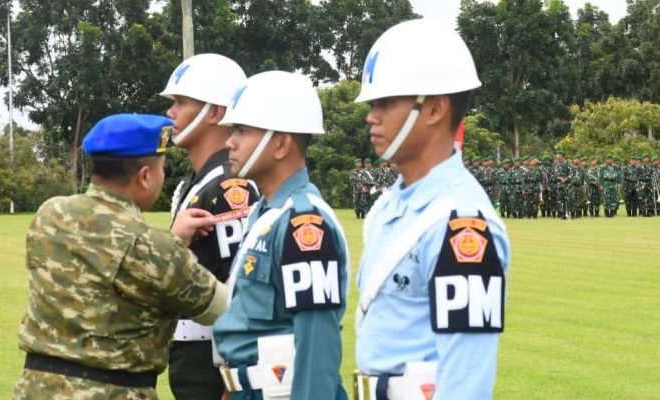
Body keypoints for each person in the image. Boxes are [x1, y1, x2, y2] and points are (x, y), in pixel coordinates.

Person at [12, 114, 229, 399]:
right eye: (162, 169)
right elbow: (224, 308)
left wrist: (171, 241)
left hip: (35, 389)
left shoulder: (51, 213)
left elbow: (107, 264)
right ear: (145, 176)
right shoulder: (152, 247)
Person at [353, 19, 510, 399]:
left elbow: (466, 382)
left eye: (385, 102)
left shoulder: (462, 223)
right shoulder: (391, 203)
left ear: (436, 109)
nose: (372, 116)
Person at [212, 71, 349, 400]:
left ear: (281, 144)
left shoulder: (304, 223)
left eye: (243, 130)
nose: (230, 142)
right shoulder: (265, 212)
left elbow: (316, 344)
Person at [160, 53, 260, 400]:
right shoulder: (200, 181)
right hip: (192, 356)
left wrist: (233, 384)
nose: (171, 112)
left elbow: (241, 294)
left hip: (215, 363)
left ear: (216, 113)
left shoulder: (230, 186)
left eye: (181, 102)